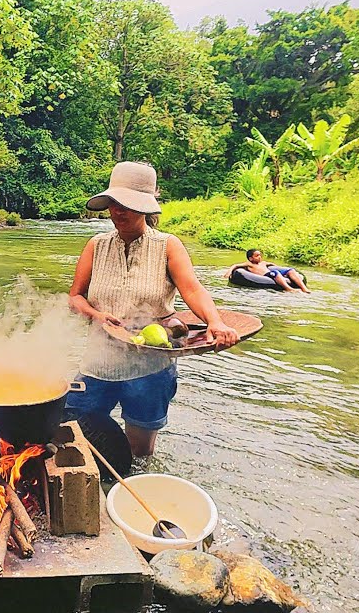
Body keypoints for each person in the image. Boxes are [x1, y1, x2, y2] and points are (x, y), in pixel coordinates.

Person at [66, 161, 240, 457]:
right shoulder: (96, 245)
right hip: (98, 363)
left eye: (127, 205)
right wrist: (95, 315)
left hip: (150, 365)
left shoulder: (167, 246)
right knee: (75, 433)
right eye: (113, 204)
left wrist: (215, 322)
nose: (117, 212)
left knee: (139, 449)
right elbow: (75, 298)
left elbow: (194, 290)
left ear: (147, 208)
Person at [224, 249, 311, 293]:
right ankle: (289, 289)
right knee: (275, 273)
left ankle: (304, 288)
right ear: (251, 258)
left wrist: (280, 269)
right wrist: (229, 272)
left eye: (260, 255)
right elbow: (236, 265)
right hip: (267, 275)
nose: (259, 257)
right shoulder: (249, 264)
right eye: (257, 256)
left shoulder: (263, 263)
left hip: (272, 273)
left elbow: (273, 265)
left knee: (291, 271)